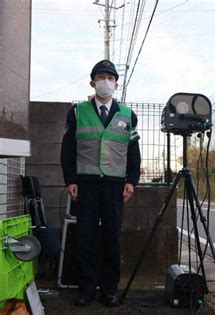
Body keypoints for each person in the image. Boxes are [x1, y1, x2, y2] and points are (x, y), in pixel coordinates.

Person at [60, 60, 141, 307]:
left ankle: (109, 289)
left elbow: (133, 150)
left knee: (111, 238)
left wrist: (132, 181)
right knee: (84, 237)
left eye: (110, 77)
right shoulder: (77, 112)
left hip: (115, 187)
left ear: (116, 83)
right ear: (93, 82)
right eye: (101, 77)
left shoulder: (128, 115)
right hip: (85, 185)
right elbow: (68, 149)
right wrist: (70, 180)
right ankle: (86, 289)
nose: (106, 81)